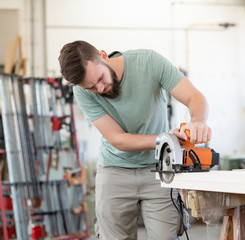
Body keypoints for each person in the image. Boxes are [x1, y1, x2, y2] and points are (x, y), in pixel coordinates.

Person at [58, 40, 212, 240]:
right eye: (92, 87)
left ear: (103, 55)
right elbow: (119, 139)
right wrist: (165, 139)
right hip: (114, 171)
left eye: (101, 78)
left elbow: (194, 97)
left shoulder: (149, 62)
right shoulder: (81, 90)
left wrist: (198, 121)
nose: (101, 88)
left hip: (159, 170)